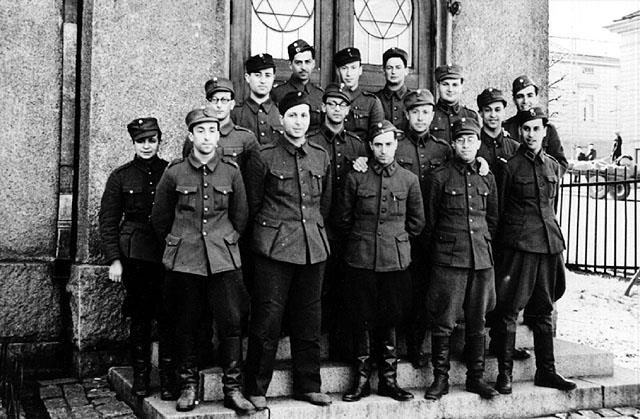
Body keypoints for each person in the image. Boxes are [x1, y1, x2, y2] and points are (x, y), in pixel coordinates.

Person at [151, 106, 254, 413]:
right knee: (187, 324)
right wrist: (179, 246)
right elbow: (160, 219)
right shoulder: (175, 172)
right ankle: (188, 386)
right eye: (201, 131)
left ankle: (232, 389)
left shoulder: (231, 172)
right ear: (191, 136)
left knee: (231, 323)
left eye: (212, 131)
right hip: (187, 260)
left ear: (218, 135)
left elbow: (241, 216)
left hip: (223, 258)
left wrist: (227, 242)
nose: (207, 137)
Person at [244, 91, 333, 409]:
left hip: (313, 247)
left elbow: (325, 204)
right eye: (292, 115)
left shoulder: (320, 156)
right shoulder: (264, 156)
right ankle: (255, 387)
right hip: (274, 249)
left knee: (310, 320)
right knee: (267, 319)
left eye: (304, 115)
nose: (299, 121)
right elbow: (252, 205)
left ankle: (309, 385)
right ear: (281, 120)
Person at [336, 120, 425, 402]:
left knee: (391, 318)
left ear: (396, 145)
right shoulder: (356, 177)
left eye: (388, 144)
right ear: (370, 146)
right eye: (378, 145)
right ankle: (361, 380)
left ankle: (389, 380)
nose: (383, 150)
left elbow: (417, 223)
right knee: (360, 319)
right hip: (361, 259)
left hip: (394, 261)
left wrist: (393, 239)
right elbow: (343, 218)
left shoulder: (409, 180)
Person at [493, 107, 576, 395]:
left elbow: (550, 208)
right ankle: (504, 375)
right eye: (526, 129)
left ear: (545, 132)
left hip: (548, 246)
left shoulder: (551, 165)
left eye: (536, 129)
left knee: (543, 309)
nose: (530, 134)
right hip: (519, 247)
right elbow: (499, 211)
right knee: (508, 308)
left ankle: (547, 371)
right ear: (520, 132)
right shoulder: (509, 166)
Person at [423, 117, 499, 400]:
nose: (466, 145)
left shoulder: (486, 176)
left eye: (471, 140)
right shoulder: (439, 177)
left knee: (478, 320)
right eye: (461, 140)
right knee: (444, 319)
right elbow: (429, 224)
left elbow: (493, 218)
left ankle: (475, 378)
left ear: (478, 143)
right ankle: (440, 379)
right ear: (452, 144)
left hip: (480, 258)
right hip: (449, 260)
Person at [99, 118, 174, 400]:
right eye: (141, 141)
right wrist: (114, 260)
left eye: (151, 140)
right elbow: (108, 221)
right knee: (140, 318)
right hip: (136, 256)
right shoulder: (121, 176)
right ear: (133, 143)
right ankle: (141, 377)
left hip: (167, 254)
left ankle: (168, 378)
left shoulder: (171, 171)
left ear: (159, 141)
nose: (146, 146)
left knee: (168, 317)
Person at [307, 83, 368, 358]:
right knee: (318, 288)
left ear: (347, 110)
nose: (336, 109)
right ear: (323, 107)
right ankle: (317, 344)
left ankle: (343, 347)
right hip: (318, 224)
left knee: (346, 288)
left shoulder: (357, 144)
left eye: (342, 105)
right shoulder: (311, 141)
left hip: (348, 227)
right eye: (331, 104)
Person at [395, 89, 452, 368]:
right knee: (401, 290)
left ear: (433, 115)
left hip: (433, 230)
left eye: (426, 112)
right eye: (415, 112)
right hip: (402, 229)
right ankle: (396, 345)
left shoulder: (443, 149)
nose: (420, 117)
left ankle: (417, 346)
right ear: (406, 114)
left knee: (426, 290)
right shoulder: (395, 145)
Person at [182, 77, 259, 174]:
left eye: (224, 100)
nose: (219, 105)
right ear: (207, 104)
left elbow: (253, 182)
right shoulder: (195, 137)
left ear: (232, 104)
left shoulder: (246, 138)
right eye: (214, 100)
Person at [502, 75, 568, 173]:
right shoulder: (506, 128)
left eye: (530, 95)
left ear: (536, 97)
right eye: (520, 96)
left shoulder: (547, 129)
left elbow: (561, 164)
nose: (525, 101)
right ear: (514, 100)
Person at [271, 39, 324, 132]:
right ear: (290, 65)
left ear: (313, 64)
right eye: (298, 62)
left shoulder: (320, 95)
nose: (303, 67)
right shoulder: (277, 93)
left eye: (307, 62)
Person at [334, 47, 384, 141]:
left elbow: (377, 137)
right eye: (344, 68)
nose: (349, 74)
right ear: (338, 72)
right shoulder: (331, 101)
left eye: (353, 68)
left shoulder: (371, 102)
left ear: (360, 70)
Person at [231, 53, 283, 144]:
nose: (263, 81)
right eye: (257, 75)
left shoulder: (281, 111)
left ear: (273, 78)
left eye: (267, 75)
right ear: (247, 78)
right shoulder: (235, 113)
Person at [429, 64, 479, 143]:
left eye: (455, 85)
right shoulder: (430, 114)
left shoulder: (470, 116)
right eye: (445, 84)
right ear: (437, 86)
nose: (450, 89)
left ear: (461, 87)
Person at [475, 88, 520, 173]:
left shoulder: (515, 148)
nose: (493, 115)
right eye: (488, 110)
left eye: (497, 110)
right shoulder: (474, 147)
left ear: (504, 112)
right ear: (480, 113)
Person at [375, 48, 411, 130]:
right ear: (383, 71)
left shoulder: (414, 98)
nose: (393, 72)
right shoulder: (375, 99)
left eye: (398, 67)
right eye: (389, 68)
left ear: (406, 71)